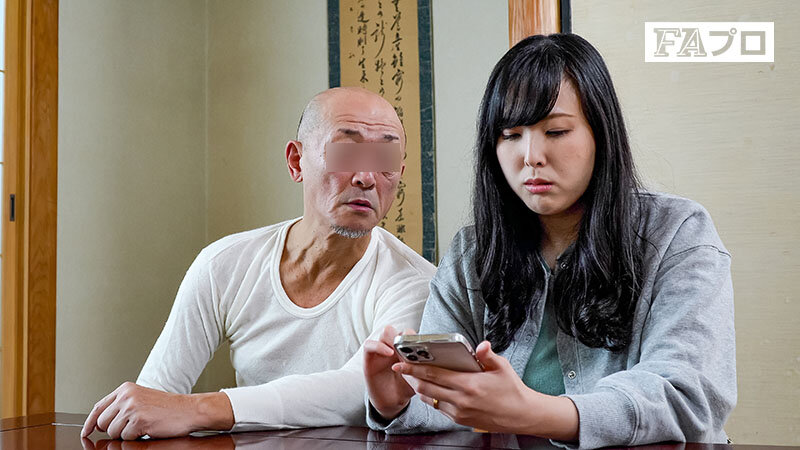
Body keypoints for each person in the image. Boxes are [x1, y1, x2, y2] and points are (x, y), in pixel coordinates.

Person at [364, 34, 736, 448]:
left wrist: (534, 412)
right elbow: (451, 403)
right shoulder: (473, 252)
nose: (531, 156)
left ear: (601, 133)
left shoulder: (678, 233)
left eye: (556, 131)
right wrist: (397, 401)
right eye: (510, 134)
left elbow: (687, 395)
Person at [81, 87, 436, 440]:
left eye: (385, 159)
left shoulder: (416, 282)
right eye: (346, 152)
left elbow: (365, 386)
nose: (367, 177)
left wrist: (201, 409)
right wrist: (143, 412)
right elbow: (155, 399)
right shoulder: (224, 265)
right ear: (296, 161)